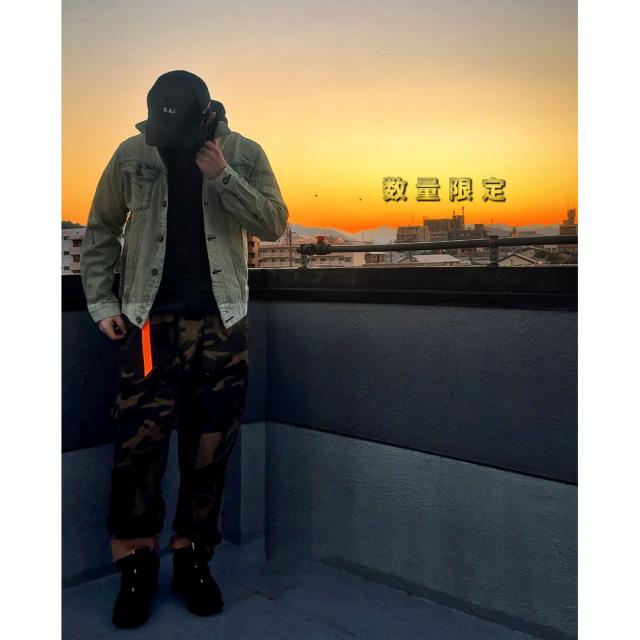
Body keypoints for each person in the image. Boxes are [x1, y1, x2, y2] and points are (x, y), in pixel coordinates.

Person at [79, 69, 289, 628]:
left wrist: (223, 177)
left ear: (207, 119)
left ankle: (193, 557)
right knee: (137, 448)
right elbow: (100, 228)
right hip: (147, 323)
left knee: (210, 446)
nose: (164, 140)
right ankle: (135, 564)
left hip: (222, 323)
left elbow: (273, 223)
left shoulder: (243, 153)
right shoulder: (132, 152)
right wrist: (102, 303)